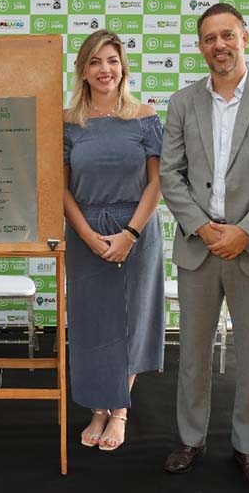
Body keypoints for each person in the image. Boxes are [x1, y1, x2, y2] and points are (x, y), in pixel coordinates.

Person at [159, 3, 249, 487]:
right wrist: (202, 227)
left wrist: (244, 230)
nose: (218, 45)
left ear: (245, 36)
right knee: (194, 354)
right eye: (208, 38)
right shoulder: (182, 103)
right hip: (199, 245)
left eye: (227, 35)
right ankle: (190, 439)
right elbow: (170, 176)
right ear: (200, 46)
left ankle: (248, 447)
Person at [63, 29, 164, 452]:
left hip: (136, 230)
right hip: (84, 230)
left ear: (123, 67)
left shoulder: (145, 116)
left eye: (112, 61)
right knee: (93, 323)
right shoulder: (67, 122)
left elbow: (158, 182)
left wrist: (130, 234)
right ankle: (98, 408)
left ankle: (119, 410)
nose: (105, 70)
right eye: (95, 62)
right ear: (83, 70)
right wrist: (86, 234)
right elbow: (60, 188)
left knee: (130, 320)